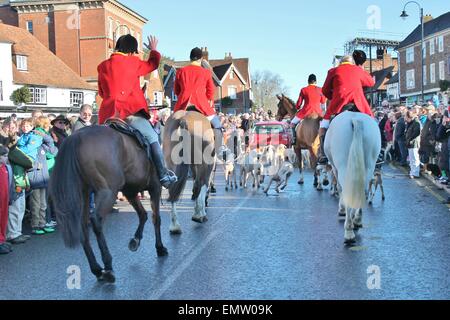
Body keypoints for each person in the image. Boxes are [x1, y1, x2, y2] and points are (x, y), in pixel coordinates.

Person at [97, 34, 177, 188]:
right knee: (153, 137)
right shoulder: (133, 61)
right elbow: (152, 64)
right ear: (132, 50)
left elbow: (101, 92)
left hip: (108, 115)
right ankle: (162, 175)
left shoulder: (102, 66)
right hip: (130, 113)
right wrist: (153, 50)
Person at [318, 54, 375, 164]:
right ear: (352, 62)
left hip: (339, 104)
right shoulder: (358, 70)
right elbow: (371, 82)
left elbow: (325, 91)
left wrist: (333, 96)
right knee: (373, 123)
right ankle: (379, 153)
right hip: (359, 104)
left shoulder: (333, 71)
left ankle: (323, 154)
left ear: (340, 62)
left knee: (323, 125)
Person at [173, 47, 226, 157]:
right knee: (217, 125)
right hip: (201, 105)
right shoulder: (206, 72)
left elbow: (176, 90)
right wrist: (208, 99)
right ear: (201, 59)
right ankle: (220, 150)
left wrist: (182, 97)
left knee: (170, 126)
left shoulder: (180, 71)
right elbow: (211, 90)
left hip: (183, 106)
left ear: (190, 58)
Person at [292, 74, 326, 143]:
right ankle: (324, 139)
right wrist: (323, 111)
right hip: (318, 112)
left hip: (305, 112)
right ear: (315, 82)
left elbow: (299, 104)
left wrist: (297, 107)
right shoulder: (320, 90)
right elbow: (323, 102)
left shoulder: (303, 90)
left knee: (292, 123)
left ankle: (294, 140)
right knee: (326, 124)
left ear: (308, 81)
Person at [0, 145, 13, 254]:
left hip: (5, 198)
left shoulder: (5, 168)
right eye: (4, 156)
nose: (6, 158)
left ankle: (2, 239)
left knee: (4, 218)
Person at [405, 111, 421, 179]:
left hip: (414, 143)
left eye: (406, 117)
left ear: (410, 117)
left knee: (415, 158)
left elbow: (416, 133)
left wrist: (410, 139)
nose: (405, 118)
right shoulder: (410, 123)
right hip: (410, 143)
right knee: (411, 159)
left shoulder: (416, 123)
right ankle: (412, 172)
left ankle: (415, 173)